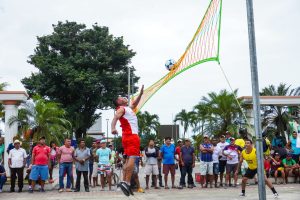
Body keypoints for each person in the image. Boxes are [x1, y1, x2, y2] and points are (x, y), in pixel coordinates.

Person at [111, 85, 144, 196]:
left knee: (129, 158)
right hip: (131, 136)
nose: (123, 97)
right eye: (120, 97)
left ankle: (124, 182)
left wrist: (141, 94)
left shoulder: (128, 108)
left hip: (128, 136)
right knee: (132, 158)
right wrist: (112, 128)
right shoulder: (121, 109)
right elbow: (115, 118)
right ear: (119, 102)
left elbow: (135, 103)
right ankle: (127, 182)